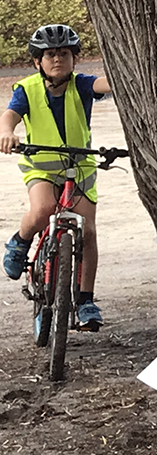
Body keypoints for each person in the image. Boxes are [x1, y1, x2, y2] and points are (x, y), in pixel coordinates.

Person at [1, 25, 111, 330]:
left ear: (75, 59)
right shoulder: (28, 89)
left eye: (64, 53)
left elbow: (105, 84)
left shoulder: (82, 85)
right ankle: (20, 242)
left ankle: (86, 300)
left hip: (80, 168)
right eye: (50, 54)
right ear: (38, 61)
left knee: (88, 231)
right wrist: (6, 132)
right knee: (42, 210)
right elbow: (10, 115)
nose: (58, 59)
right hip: (41, 166)